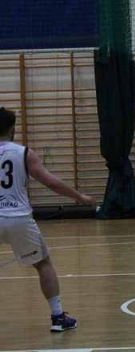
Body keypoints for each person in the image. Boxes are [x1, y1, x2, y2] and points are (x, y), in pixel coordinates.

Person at [0, 107, 97, 331]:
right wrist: (79, 196)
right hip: (18, 218)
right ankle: (58, 317)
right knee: (43, 264)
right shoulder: (23, 153)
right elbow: (51, 182)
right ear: (13, 129)